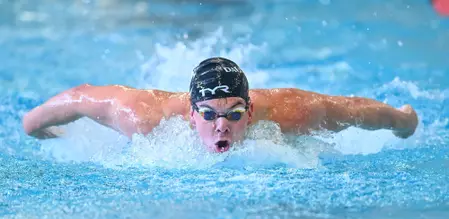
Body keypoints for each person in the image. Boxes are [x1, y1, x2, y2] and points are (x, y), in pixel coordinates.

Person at [22, 57, 418, 153]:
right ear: (191, 114)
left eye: (233, 114)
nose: (221, 126)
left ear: (251, 112)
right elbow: (81, 97)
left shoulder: (290, 113)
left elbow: (350, 109)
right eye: (209, 115)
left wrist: (401, 121)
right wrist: (36, 127)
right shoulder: (144, 118)